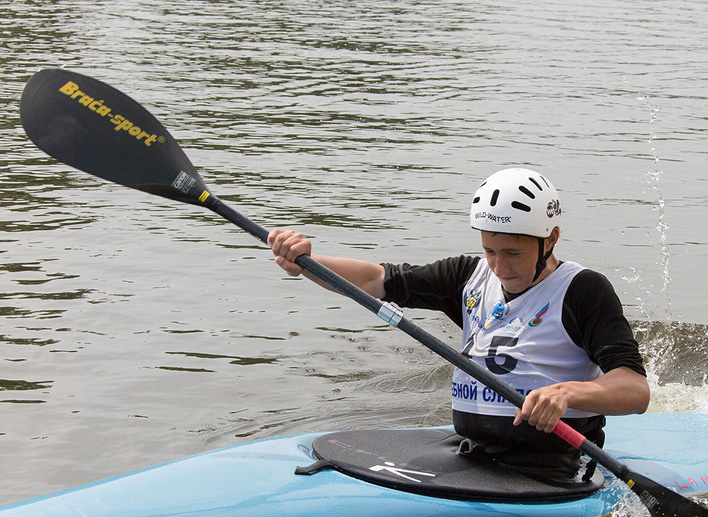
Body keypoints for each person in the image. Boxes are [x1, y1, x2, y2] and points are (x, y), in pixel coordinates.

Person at [268, 168, 649, 480]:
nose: (499, 267)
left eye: (513, 253)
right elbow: (374, 281)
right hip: (471, 453)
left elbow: (634, 390)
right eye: (490, 250)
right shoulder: (468, 276)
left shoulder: (582, 290)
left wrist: (568, 394)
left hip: (549, 466)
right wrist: (306, 263)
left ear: (550, 239)